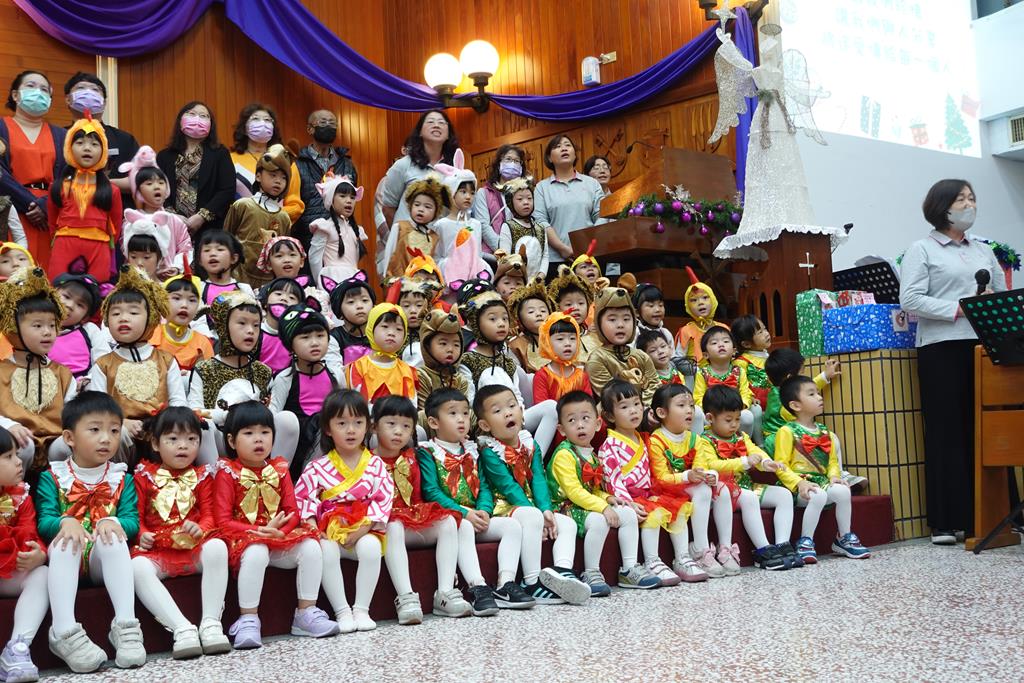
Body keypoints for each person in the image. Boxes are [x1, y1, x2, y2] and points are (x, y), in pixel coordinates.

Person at [899, 178, 1004, 545]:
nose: (969, 204)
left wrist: (989, 301)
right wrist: (958, 308)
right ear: (942, 206)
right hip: (942, 347)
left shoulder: (984, 250)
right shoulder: (922, 249)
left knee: (988, 428)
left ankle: (995, 513)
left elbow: (1001, 293)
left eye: (972, 198)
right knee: (947, 431)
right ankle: (946, 521)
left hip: (984, 346)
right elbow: (910, 299)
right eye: (961, 199)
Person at [212, 401, 338, 648]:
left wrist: (281, 531)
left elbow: (293, 512)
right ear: (231, 441)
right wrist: (259, 531)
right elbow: (223, 521)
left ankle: (306, 613)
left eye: (265, 432)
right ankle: (248, 619)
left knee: (311, 547)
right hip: (245, 540)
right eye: (249, 433)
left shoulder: (279, 469)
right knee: (257, 551)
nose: (258, 439)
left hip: (278, 536)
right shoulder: (227, 472)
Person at [36, 391, 146, 672]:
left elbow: (132, 522)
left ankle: (126, 626)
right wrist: (64, 522)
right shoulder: (52, 477)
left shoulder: (122, 477)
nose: (106, 438)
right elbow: (44, 522)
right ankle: (64, 631)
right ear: (69, 438)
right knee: (65, 541)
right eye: (95, 430)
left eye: (114, 430)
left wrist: (114, 522)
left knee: (113, 537)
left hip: (100, 562)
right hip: (66, 563)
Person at [416, 388, 530, 613]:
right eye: (453, 413)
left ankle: (505, 584)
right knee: (465, 527)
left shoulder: (472, 450)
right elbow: (431, 491)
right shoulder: (428, 452)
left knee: (512, 526)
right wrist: (464, 513)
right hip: (452, 519)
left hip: (476, 516)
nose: (461, 419)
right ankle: (477, 586)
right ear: (433, 422)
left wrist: (484, 510)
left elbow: (484, 486)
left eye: (465, 413)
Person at [475, 385, 591, 605]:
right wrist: (537, 514)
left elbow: (538, 479)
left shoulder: (530, 443)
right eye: (498, 411)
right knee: (531, 516)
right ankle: (531, 581)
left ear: (521, 411)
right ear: (485, 425)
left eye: (512, 406)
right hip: (505, 505)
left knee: (567, 524)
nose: (508, 413)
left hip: (531, 505)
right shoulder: (489, 450)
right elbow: (507, 487)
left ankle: (561, 572)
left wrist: (546, 510)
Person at [130, 407, 231, 659]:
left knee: (217, 547)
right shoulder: (144, 476)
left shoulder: (202, 476)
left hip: (193, 547)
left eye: (191, 439)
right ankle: (182, 629)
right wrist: (142, 533)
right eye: (173, 439)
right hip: (159, 549)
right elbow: (136, 516)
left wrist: (200, 528)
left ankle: (211, 623)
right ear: (156, 443)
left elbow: (209, 514)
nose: (183, 446)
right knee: (137, 568)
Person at [295, 390, 393, 633]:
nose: (351, 430)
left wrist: (362, 530)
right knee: (325, 550)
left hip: (364, 528)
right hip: (329, 530)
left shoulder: (376, 464)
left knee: (371, 548)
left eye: (358, 422)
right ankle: (342, 611)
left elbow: (383, 498)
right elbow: (303, 498)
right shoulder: (317, 467)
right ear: (328, 429)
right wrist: (313, 528)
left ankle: (362, 609)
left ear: (368, 426)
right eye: (342, 423)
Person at [371, 396, 471, 623]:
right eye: (391, 424)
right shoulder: (368, 462)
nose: (398, 432)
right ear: (374, 426)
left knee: (447, 522)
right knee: (393, 525)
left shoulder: (412, 458)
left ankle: (445, 593)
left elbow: (418, 497)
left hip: (411, 520)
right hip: (384, 526)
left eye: (406, 426)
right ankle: (406, 597)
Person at [545, 391, 654, 596]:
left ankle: (629, 568)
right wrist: (603, 507)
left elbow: (593, 489)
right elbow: (574, 492)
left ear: (597, 424)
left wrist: (609, 498)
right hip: (564, 507)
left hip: (585, 505)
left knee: (628, 513)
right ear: (561, 429)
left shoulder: (592, 455)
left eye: (585, 419)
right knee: (598, 520)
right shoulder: (564, 455)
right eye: (572, 420)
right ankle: (591, 572)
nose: (580, 425)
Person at [87, 267, 187, 462]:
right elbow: (99, 408)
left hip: (161, 431)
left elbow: (178, 403)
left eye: (133, 312)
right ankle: (116, 477)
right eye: (116, 313)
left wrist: (162, 425)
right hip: (121, 433)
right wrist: (121, 422)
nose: (123, 318)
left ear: (151, 317)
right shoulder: (103, 364)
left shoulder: (166, 360)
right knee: (116, 433)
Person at [188, 290, 299, 467]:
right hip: (222, 443)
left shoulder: (263, 371)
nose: (250, 331)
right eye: (242, 323)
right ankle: (216, 478)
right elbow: (194, 412)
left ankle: (274, 476)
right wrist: (230, 416)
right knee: (203, 425)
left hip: (257, 441)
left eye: (256, 325)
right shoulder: (205, 369)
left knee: (287, 419)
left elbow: (271, 414)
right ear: (223, 326)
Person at [597, 380, 691, 587]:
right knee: (654, 514)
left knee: (679, 509)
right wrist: (629, 503)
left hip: (648, 493)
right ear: (610, 416)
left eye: (637, 404)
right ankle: (652, 561)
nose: (633, 410)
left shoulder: (643, 438)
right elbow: (613, 480)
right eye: (624, 407)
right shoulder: (609, 445)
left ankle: (683, 558)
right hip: (629, 498)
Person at [694, 385, 797, 571]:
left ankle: (783, 544)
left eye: (738, 419)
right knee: (749, 497)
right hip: (723, 490)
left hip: (746, 485)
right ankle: (762, 549)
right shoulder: (704, 440)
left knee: (784, 495)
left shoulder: (740, 436)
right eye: (728, 420)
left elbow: (755, 451)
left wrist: (766, 463)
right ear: (709, 418)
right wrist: (743, 462)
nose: (735, 424)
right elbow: (712, 465)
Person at [771, 377, 870, 562]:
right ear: (795, 405)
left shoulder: (825, 431)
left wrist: (834, 476)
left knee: (842, 490)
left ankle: (844, 537)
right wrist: (799, 483)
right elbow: (781, 466)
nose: (819, 397)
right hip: (796, 487)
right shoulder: (786, 431)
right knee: (818, 495)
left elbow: (832, 461)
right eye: (811, 394)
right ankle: (805, 540)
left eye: (818, 393)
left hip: (821, 482)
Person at [456, 285, 559, 455]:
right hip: (487, 424)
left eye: (504, 318)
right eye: (493, 319)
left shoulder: (508, 362)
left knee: (551, 407)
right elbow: (470, 402)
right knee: (490, 379)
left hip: (513, 419)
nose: (501, 323)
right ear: (477, 324)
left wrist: (517, 415)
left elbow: (516, 395)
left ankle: (535, 458)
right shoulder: (468, 360)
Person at [0, 267, 78, 469]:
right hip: (16, 443)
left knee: (71, 444)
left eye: (52, 325)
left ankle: (61, 485)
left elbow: (73, 413)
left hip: (56, 442)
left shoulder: (62, 373)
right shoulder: (2, 371)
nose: (47, 332)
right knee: (23, 445)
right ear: (13, 327)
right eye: (37, 326)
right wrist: (9, 425)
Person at [647, 384, 726, 578]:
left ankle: (717, 547)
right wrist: (686, 476)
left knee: (719, 488)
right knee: (698, 492)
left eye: (691, 405)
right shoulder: (656, 440)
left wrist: (708, 475)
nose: (689, 410)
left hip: (688, 486)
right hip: (665, 489)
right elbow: (661, 477)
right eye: (681, 405)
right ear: (662, 412)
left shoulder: (694, 439)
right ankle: (696, 552)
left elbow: (701, 466)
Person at [0, 70, 67, 267]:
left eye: (44, 89)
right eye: (31, 86)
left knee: (47, 273)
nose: (38, 92)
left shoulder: (62, 135)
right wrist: (31, 204)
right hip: (11, 211)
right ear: (15, 95)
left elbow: (68, 176)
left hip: (49, 214)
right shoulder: (1, 126)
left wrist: (45, 205)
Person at [269, 303, 342, 479]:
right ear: (291, 344)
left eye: (320, 335)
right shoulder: (285, 378)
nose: (315, 342)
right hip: (296, 445)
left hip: (329, 441)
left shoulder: (336, 374)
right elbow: (273, 416)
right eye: (305, 337)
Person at [47, 113, 123, 282]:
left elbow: (116, 227)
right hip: (64, 244)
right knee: (58, 287)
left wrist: (106, 246)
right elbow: (52, 222)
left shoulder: (112, 191)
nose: (87, 148)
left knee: (96, 289)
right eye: (80, 143)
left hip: (99, 247)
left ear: (103, 151)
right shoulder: (58, 187)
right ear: (69, 148)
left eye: (94, 144)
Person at [0, 425, 49, 682]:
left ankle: (17, 648)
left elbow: (30, 531)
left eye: (16, 455)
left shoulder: (21, 496)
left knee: (42, 575)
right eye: (8, 457)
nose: (19, 462)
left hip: (7, 570)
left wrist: (39, 554)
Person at [156, 101, 235, 235]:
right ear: (180, 120)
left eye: (204, 116)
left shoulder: (220, 153)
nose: (197, 119)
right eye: (191, 114)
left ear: (210, 124)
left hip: (209, 229)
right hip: (170, 227)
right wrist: (172, 215)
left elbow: (227, 189)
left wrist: (202, 216)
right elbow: (157, 188)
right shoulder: (165, 156)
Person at [223, 144, 294, 287]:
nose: (278, 181)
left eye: (283, 178)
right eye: (273, 175)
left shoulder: (284, 217)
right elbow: (225, 239)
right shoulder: (243, 205)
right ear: (258, 176)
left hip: (269, 282)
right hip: (237, 277)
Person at [62, 72, 139, 204]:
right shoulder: (58, 136)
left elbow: (142, 180)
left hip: (115, 211)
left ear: (104, 103)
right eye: (81, 88)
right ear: (68, 99)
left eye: (95, 90)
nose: (88, 93)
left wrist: (101, 182)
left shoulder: (124, 139)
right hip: (68, 211)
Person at [533, 135, 604, 278]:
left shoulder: (592, 183)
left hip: (590, 258)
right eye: (558, 146)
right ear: (549, 158)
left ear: (575, 154)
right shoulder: (542, 187)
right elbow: (540, 221)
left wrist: (589, 246)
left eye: (567, 145)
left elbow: (601, 215)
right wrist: (562, 248)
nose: (564, 148)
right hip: (556, 259)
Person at [378, 110, 459, 230]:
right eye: (430, 122)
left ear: (448, 134)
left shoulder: (455, 169)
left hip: (441, 238)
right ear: (420, 132)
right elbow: (388, 209)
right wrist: (402, 233)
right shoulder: (403, 165)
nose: (436, 125)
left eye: (441, 122)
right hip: (408, 238)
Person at [294, 109, 358, 251]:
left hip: (341, 238)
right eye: (323, 122)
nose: (328, 126)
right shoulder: (297, 163)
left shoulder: (346, 164)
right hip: (307, 238)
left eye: (332, 123)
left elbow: (352, 199)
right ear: (310, 129)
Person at [228, 103, 304, 222]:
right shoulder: (230, 159)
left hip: (276, 228)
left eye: (268, 120)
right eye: (255, 119)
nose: (262, 123)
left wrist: (270, 216)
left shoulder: (286, 160)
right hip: (240, 226)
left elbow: (295, 205)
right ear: (244, 127)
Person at [585, 283, 659, 405]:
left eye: (626, 319)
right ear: (598, 323)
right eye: (612, 319)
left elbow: (654, 387)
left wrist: (646, 409)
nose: (620, 325)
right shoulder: (597, 359)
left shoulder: (642, 356)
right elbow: (611, 397)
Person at [692, 326, 759, 439]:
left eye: (726, 341)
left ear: (734, 351)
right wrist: (713, 410)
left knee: (748, 415)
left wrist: (741, 406)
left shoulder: (739, 371)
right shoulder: (702, 373)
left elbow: (745, 392)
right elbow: (698, 397)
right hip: (712, 414)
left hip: (734, 412)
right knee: (696, 411)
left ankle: (743, 442)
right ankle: (700, 444)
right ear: (705, 354)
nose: (721, 345)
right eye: (714, 343)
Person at [346, 302, 417, 404]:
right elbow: (355, 405)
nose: (391, 333)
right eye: (385, 326)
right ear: (371, 330)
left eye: (398, 329)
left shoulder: (407, 371)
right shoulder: (358, 367)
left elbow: (412, 406)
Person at [382, 175, 448, 280]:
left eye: (427, 207)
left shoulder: (435, 237)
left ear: (436, 212)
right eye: (417, 205)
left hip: (425, 285)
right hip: (400, 283)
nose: (421, 209)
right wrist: (386, 279)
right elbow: (389, 255)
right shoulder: (400, 227)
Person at [308, 172, 366, 284]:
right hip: (332, 280)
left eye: (352, 197)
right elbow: (314, 258)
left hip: (354, 279)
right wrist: (321, 282)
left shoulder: (356, 230)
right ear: (331, 200)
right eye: (342, 196)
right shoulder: (325, 227)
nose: (349, 200)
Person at [149, 274, 212, 374]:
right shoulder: (150, 335)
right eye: (177, 298)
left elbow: (207, 377)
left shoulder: (202, 344)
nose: (184, 305)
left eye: (192, 300)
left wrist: (190, 378)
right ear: (162, 302)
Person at [415, 306, 470, 420]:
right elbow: (424, 413)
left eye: (456, 345)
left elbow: (464, 411)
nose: (450, 349)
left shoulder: (461, 380)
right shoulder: (421, 375)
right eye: (443, 343)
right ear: (427, 346)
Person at [472, 144, 527, 253]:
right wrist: (504, 250)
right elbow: (483, 225)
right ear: (499, 165)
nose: (512, 163)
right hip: (491, 255)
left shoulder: (526, 194)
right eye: (508, 159)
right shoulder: (484, 193)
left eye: (517, 161)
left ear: (521, 168)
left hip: (520, 254)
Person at [51, 273, 106, 380]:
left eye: (80, 305)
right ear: (52, 295)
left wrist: (88, 379)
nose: (70, 305)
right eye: (66, 297)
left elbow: (104, 361)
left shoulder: (90, 330)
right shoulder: (35, 326)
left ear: (85, 318)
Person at [532, 311, 592, 404]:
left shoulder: (581, 376)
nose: (568, 343)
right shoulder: (542, 376)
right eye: (560, 339)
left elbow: (588, 405)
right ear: (547, 343)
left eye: (572, 338)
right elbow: (542, 408)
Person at [497, 176, 549, 280]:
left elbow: (545, 256)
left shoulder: (540, 228)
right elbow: (504, 258)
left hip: (536, 282)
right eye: (520, 199)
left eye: (529, 198)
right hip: (515, 280)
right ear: (511, 203)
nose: (526, 202)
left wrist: (540, 276)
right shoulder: (508, 226)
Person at [191, 229, 252, 306]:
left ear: (233, 258)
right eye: (207, 250)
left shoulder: (244, 289)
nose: (212, 254)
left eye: (220, 249)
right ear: (200, 260)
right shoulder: (197, 288)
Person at [506, 274, 551, 373]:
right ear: (520, 319)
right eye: (531, 312)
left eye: (543, 311)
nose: (539, 314)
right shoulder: (515, 344)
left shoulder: (557, 338)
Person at [731, 314, 772, 410]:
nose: (766, 334)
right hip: (756, 407)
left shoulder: (769, 357)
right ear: (746, 344)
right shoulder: (741, 362)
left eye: (765, 329)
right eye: (760, 332)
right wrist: (750, 398)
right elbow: (739, 387)